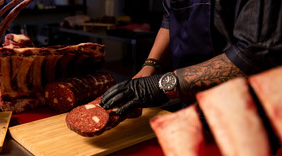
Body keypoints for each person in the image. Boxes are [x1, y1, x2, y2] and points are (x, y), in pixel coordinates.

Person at [100, 0, 282, 115]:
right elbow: (172, 16)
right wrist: (151, 65)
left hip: (245, 111)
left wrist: (163, 84)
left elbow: (256, 53)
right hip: (190, 103)